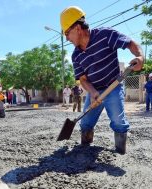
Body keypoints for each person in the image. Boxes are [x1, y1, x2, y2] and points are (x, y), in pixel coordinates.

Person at [60, 6, 144, 154]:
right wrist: (92, 92)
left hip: (114, 86)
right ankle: (84, 150)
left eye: (67, 33)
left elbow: (131, 44)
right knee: (85, 122)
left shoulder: (105, 35)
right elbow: (83, 79)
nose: (66, 38)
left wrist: (140, 57)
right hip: (95, 91)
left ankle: (120, 152)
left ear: (77, 28)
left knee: (119, 122)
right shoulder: (76, 55)